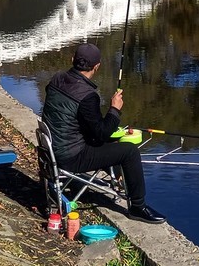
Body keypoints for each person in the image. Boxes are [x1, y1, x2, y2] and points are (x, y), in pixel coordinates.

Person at [41, 42, 166, 223]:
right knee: (130, 151)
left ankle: (118, 179)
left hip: (51, 150)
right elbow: (101, 134)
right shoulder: (88, 96)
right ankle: (138, 207)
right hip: (71, 157)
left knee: (111, 144)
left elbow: (76, 118)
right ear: (97, 67)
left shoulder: (57, 79)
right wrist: (114, 109)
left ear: (72, 59)